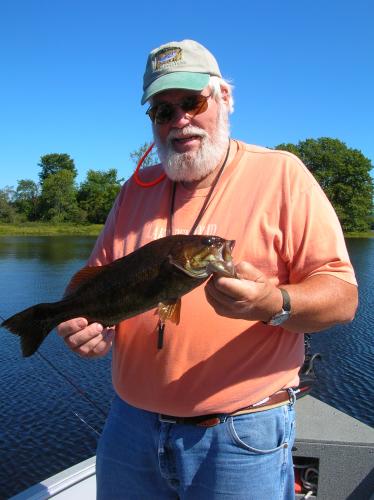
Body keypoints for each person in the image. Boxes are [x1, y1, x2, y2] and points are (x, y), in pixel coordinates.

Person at [57, 39, 358, 499]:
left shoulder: (282, 174)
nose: (179, 120)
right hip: (130, 428)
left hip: (240, 434)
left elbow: (342, 297)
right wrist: (88, 330)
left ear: (225, 99)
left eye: (192, 101)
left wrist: (273, 304)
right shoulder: (134, 191)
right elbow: (98, 283)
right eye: (162, 110)